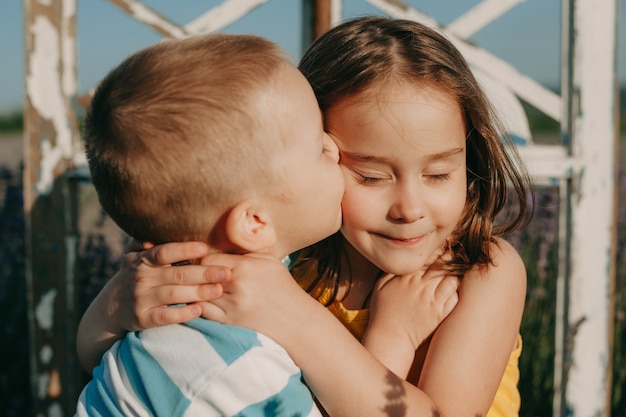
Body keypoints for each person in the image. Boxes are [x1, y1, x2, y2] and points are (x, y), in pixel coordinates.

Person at [77, 17, 533, 417]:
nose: (409, 209)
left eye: (439, 173)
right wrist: (115, 307)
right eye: (370, 176)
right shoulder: (290, 257)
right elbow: (120, 367)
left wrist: (298, 317)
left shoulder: (481, 271)